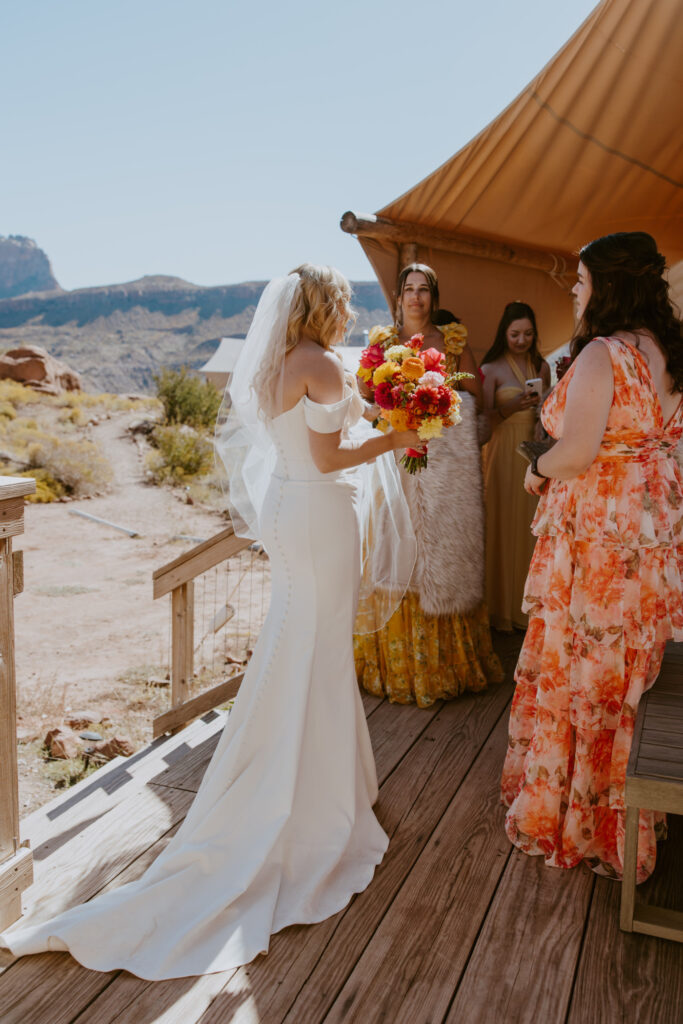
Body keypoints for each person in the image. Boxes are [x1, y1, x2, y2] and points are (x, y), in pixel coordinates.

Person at [0, 265, 422, 979]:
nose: (349, 308)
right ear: (323, 305)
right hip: (319, 510)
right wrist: (399, 435)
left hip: (294, 512)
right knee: (315, 651)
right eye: (343, 300)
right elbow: (329, 454)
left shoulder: (274, 363)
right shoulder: (316, 361)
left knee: (296, 647)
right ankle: (309, 805)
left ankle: (299, 782)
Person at [501, 232, 683, 883]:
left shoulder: (605, 354)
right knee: (637, 668)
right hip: (655, 533)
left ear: (607, 284)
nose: (573, 291)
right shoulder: (668, 349)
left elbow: (574, 453)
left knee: (589, 666)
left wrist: (538, 472)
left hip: (602, 540)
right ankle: (637, 811)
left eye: (579, 281)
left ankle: (585, 817)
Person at [354, 263, 503, 706]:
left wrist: (441, 414)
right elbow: (363, 400)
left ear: (433, 298)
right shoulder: (381, 343)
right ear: (398, 297)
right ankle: (395, 665)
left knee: (443, 556)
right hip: (396, 463)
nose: (416, 297)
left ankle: (448, 664)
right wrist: (391, 415)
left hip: (447, 471)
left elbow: (473, 404)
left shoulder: (453, 340)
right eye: (409, 290)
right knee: (396, 547)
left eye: (424, 290)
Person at [481, 302, 550, 632]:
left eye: (528, 334)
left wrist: (541, 420)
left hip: (531, 451)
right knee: (500, 524)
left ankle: (526, 607)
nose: (521, 340)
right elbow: (481, 421)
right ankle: (498, 608)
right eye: (514, 334)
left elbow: (551, 409)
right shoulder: (491, 368)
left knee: (528, 527)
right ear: (503, 334)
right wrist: (510, 407)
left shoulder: (542, 365)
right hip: (502, 448)